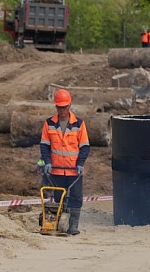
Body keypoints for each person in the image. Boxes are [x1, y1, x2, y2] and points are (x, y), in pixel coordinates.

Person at [39, 88, 90, 235]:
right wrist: (47, 162)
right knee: (57, 198)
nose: (62, 110)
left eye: (65, 107)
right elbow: (44, 146)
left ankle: (73, 226)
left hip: (73, 171)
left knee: (75, 197)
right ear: (56, 107)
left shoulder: (79, 124)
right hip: (56, 169)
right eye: (59, 107)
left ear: (69, 106)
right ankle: (56, 224)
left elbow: (85, 147)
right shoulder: (49, 124)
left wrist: (80, 164)